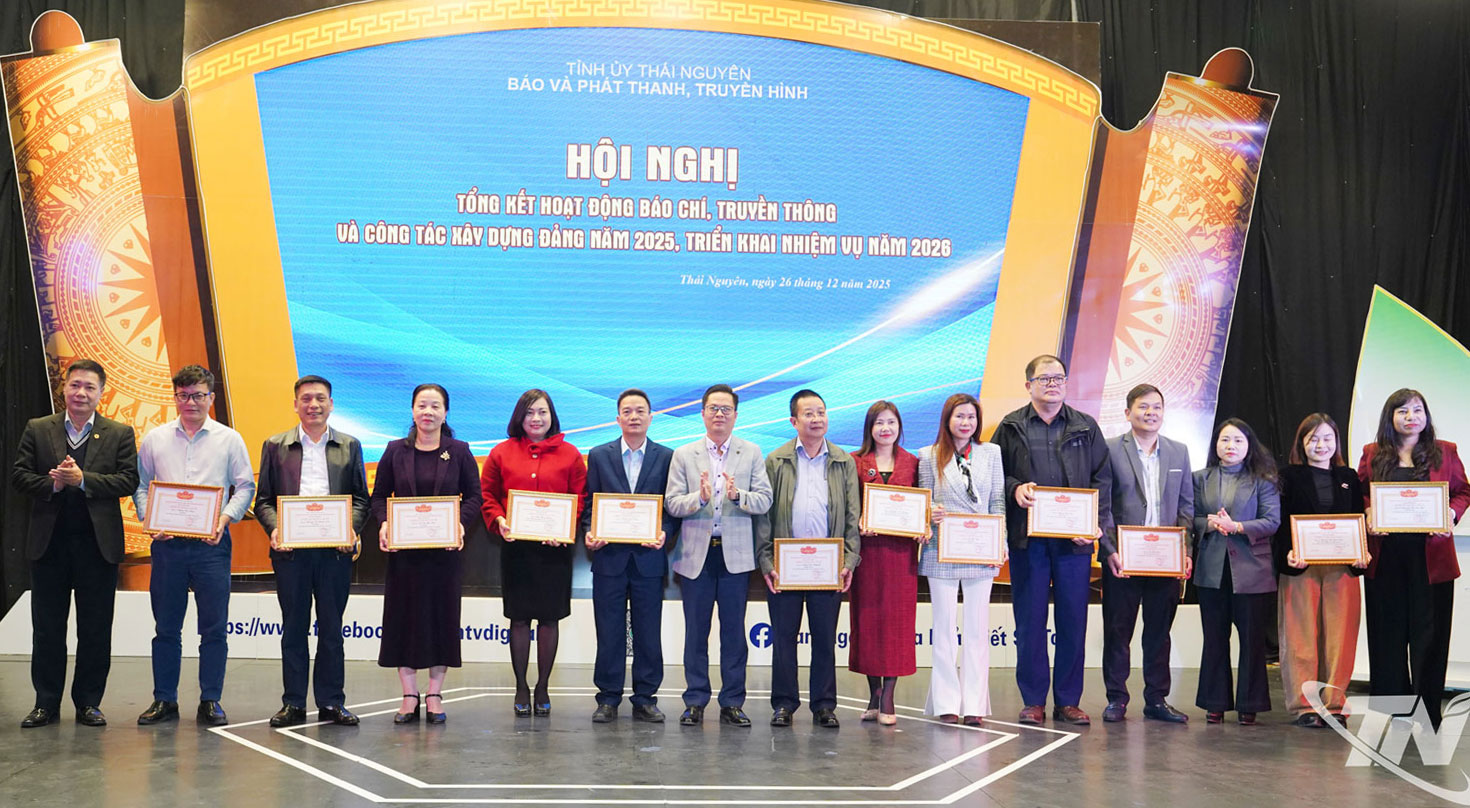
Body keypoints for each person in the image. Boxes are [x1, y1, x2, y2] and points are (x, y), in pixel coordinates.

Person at [10, 359, 138, 728]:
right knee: (47, 629)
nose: (81, 393)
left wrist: (83, 480)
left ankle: (88, 703)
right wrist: (52, 484)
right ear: (64, 388)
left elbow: (128, 480)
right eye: (75, 385)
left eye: (89, 387)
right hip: (49, 545)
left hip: (98, 547)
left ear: (101, 393)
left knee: (95, 629)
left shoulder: (119, 433)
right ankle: (45, 703)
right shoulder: (38, 428)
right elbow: (19, 475)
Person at [991, 355, 1111, 725]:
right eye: (1044, 378)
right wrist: (1014, 488)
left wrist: (1092, 522)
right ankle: (1033, 700)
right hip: (1028, 541)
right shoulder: (1010, 426)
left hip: (1074, 542)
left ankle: (1068, 701)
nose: (1053, 384)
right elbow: (993, 476)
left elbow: (1102, 479)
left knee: (1073, 620)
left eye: (1058, 378)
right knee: (1030, 621)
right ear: (1028, 385)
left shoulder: (1085, 426)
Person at [133, 365, 255, 727]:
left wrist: (224, 519)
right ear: (175, 397)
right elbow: (141, 486)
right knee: (166, 628)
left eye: (198, 395)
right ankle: (164, 700)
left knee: (214, 628)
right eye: (184, 395)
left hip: (211, 545)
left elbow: (245, 487)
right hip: (168, 546)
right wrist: (149, 519)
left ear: (211, 398)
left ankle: (210, 700)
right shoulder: (155, 439)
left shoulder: (229, 439)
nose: (191, 402)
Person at [254, 375, 370, 727]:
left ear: (331, 404)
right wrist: (275, 529)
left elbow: (361, 498)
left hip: (334, 553)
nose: (313, 405)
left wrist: (351, 529)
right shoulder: (275, 445)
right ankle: (293, 703)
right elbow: (263, 501)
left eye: (320, 398)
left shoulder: (350, 445)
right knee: (294, 629)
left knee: (332, 630)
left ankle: (332, 702)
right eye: (306, 399)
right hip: (291, 553)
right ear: (295, 405)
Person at [1357, 389, 1470, 727]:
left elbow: (1463, 491)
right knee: (1387, 635)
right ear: (1390, 417)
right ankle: (1396, 710)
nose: (1410, 417)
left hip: (1431, 560)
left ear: (1426, 415)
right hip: (1386, 557)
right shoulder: (1372, 453)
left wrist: (1451, 514)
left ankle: (1428, 709)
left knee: (1430, 637)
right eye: (1402, 411)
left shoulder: (1445, 451)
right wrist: (1368, 512)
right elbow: (1361, 491)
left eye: (1417, 410)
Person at [373, 383, 481, 724]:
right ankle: (409, 694)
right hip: (404, 555)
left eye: (435, 406)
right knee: (402, 620)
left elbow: (474, 497)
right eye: (422, 405)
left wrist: (460, 524)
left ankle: (434, 693)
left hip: (443, 556)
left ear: (445, 412)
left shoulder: (459, 451)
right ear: (412, 410)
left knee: (441, 620)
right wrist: (384, 523)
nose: (428, 412)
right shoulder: (395, 450)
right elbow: (379, 496)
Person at [665, 384, 772, 727]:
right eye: (713, 408)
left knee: (734, 634)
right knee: (696, 632)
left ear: (736, 415)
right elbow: (672, 503)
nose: (719, 414)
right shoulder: (684, 454)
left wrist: (738, 495)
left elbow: (765, 499)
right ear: (702, 414)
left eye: (726, 409)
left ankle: (732, 702)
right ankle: (695, 701)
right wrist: (699, 497)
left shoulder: (751, 452)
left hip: (735, 557)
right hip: (696, 556)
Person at [756, 389, 861, 729]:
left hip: (828, 567)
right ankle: (784, 704)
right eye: (809, 414)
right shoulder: (776, 460)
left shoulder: (843, 461)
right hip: (786, 567)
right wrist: (767, 562)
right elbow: (764, 516)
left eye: (821, 412)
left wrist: (849, 560)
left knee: (825, 639)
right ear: (794, 421)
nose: (817, 419)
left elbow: (852, 516)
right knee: (784, 639)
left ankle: (824, 705)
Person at [481, 388, 586, 716]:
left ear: (552, 416)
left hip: (554, 551)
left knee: (549, 618)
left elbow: (580, 498)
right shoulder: (501, 453)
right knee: (519, 618)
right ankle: (520, 686)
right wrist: (499, 519)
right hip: (516, 549)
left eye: (542, 412)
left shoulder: (571, 454)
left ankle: (542, 686)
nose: (536, 418)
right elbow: (488, 494)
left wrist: (566, 527)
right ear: (519, 417)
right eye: (529, 412)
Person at [581, 389, 677, 724]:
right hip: (609, 559)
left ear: (651, 417)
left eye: (640, 411)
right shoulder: (598, 455)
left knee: (648, 632)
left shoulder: (667, 457)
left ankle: (645, 698)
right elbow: (590, 504)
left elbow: (671, 508)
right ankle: (608, 698)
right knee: (609, 631)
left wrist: (665, 531)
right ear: (617, 418)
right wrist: (589, 531)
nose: (634, 416)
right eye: (627, 411)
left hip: (649, 560)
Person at [1099, 384, 1193, 724]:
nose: (1150, 413)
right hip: (1123, 559)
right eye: (1143, 407)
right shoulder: (1110, 449)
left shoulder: (1179, 452)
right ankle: (1116, 699)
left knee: (1158, 633)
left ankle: (1156, 699)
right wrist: (1110, 550)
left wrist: (1185, 550)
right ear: (1128, 413)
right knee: (1118, 631)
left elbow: (1186, 506)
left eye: (1156, 407)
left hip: (1165, 560)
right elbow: (1103, 505)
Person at [1274, 412, 1367, 728]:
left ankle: (1334, 704)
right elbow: (1279, 522)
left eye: (1327, 438)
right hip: (1300, 565)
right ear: (1301, 443)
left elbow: (1358, 519)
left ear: (1336, 442)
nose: (1321, 445)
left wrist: (1361, 552)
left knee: (1341, 638)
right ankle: (1306, 707)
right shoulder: (1287, 476)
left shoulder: (1348, 476)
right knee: (1300, 636)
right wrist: (1287, 553)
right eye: (1313, 438)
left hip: (1342, 567)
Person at [917, 393, 1004, 726]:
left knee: (978, 629)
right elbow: (923, 501)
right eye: (959, 416)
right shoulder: (928, 455)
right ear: (947, 420)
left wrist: (1000, 542)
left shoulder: (991, 453)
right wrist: (930, 512)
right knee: (943, 629)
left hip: (981, 549)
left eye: (971, 417)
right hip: (942, 550)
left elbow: (998, 501)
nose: (966, 423)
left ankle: (975, 705)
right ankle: (947, 703)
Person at [1192, 417, 1281, 725]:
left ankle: (1249, 703)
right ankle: (1214, 702)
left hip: (1252, 572)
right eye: (1225, 440)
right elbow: (1189, 516)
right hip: (1212, 571)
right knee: (1214, 639)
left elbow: (1272, 521)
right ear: (1216, 445)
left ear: (1249, 446)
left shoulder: (1263, 481)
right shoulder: (1199, 478)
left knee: (1252, 641)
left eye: (1238, 440)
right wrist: (1209, 523)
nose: (1231, 446)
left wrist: (1237, 526)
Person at [849, 400, 920, 726]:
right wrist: (858, 523)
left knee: (897, 625)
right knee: (868, 623)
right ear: (870, 428)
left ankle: (889, 695)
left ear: (899, 426)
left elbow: (923, 504)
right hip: (868, 556)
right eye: (879, 422)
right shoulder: (855, 462)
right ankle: (873, 693)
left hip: (901, 558)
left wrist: (923, 525)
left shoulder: (913, 462)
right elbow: (849, 506)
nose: (885, 428)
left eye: (891, 422)